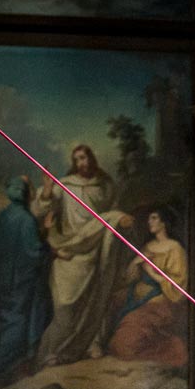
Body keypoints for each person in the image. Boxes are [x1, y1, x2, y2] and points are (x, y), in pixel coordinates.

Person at [32, 144, 131, 368]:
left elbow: (114, 215)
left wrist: (119, 219)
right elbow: (39, 210)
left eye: (84, 158)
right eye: (77, 159)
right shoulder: (64, 186)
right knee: (65, 310)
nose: (81, 163)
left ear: (91, 158)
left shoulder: (104, 186)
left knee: (94, 301)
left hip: (96, 250)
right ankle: (51, 352)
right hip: (69, 254)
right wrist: (47, 190)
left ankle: (89, 344)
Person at [106, 209, 189, 367]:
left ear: (164, 222)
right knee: (110, 303)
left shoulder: (174, 249)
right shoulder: (149, 246)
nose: (150, 222)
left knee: (122, 345)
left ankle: (174, 349)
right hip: (136, 297)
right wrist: (134, 265)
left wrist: (151, 272)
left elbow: (178, 286)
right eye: (150, 218)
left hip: (160, 302)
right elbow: (130, 277)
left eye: (154, 218)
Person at [0, 176, 51, 378]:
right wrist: (47, 240)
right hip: (20, 280)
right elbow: (34, 252)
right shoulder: (26, 219)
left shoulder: (1, 217)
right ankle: (1, 364)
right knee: (18, 320)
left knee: (4, 318)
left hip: (1, 278)